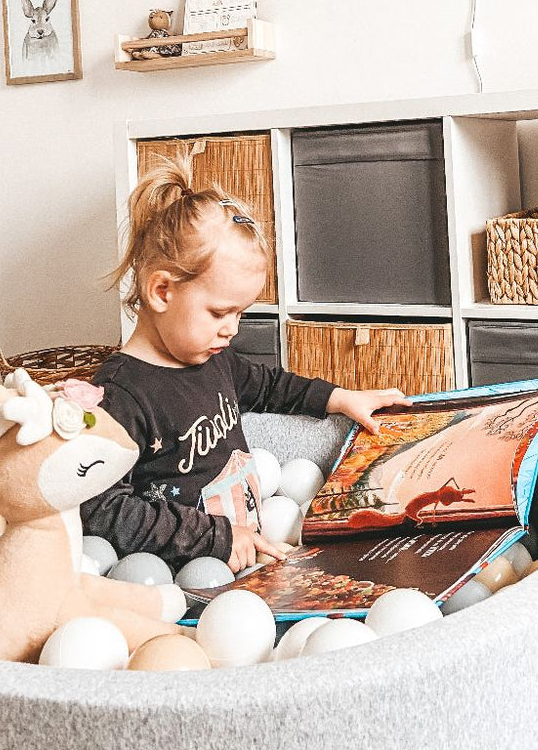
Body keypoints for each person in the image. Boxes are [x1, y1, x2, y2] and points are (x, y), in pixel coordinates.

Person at [80, 156, 405, 572]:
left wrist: (339, 398)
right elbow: (103, 509)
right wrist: (214, 539)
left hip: (251, 546)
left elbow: (269, 386)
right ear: (162, 291)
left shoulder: (214, 359)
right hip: (186, 571)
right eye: (219, 313)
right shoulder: (120, 395)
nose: (231, 329)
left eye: (241, 313)